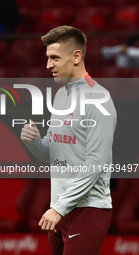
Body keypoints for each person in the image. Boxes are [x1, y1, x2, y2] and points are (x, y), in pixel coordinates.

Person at [20, 26, 116, 255]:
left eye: (54, 58)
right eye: (47, 58)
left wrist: (59, 208)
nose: (48, 65)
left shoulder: (98, 100)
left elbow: (95, 164)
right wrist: (33, 142)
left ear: (76, 56)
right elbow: (52, 155)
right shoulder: (62, 94)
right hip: (61, 208)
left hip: (88, 209)